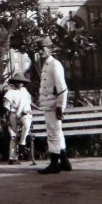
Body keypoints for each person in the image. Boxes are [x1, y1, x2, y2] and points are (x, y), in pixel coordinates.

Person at [38, 36, 71, 174]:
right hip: (48, 104)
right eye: (39, 49)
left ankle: (54, 163)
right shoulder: (46, 64)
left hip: (53, 105)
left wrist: (60, 106)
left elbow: (62, 88)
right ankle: (64, 162)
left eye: (43, 48)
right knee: (57, 132)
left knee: (53, 133)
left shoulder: (55, 64)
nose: (40, 52)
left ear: (50, 49)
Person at [3, 72, 32, 165]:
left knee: (27, 126)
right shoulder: (10, 92)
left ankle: (22, 142)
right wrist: (7, 118)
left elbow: (28, 102)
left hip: (24, 114)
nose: (19, 84)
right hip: (14, 114)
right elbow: (6, 106)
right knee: (14, 136)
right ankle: (12, 158)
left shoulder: (24, 90)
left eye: (21, 82)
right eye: (17, 82)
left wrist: (33, 108)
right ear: (14, 82)